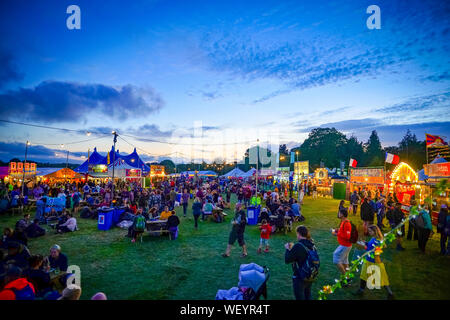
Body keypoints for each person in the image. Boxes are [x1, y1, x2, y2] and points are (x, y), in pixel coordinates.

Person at [354, 225, 394, 300]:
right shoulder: (373, 238)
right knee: (363, 275)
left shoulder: (379, 241)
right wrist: (365, 243)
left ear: (375, 231)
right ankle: (361, 290)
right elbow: (370, 246)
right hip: (368, 260)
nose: (369, 232)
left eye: (370, 231)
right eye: (369, 231)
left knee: (382, 278)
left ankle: (390, 293)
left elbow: (376, 252)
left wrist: (364, 246)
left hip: (375, 262)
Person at [284, 225, 318, 300]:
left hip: (300, 276)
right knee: (308, 295)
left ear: (299, 234)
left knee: (300, 297)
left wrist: (287, 249)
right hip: (310, 273)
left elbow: (287, 260)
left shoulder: (298, 246)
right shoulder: (312, 244)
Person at [331, 208, 353, 283]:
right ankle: (348, 277)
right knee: (344, 261)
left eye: (339, 213)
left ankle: (346, 277)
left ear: (342, 214)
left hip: (345, 245)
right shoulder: (343, 222)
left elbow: (347, 236)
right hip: (345, 245)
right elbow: (342, 231)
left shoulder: (346, 223)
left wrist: (336, 234)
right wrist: (337, 230)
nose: (338, 214)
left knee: (336, 258)